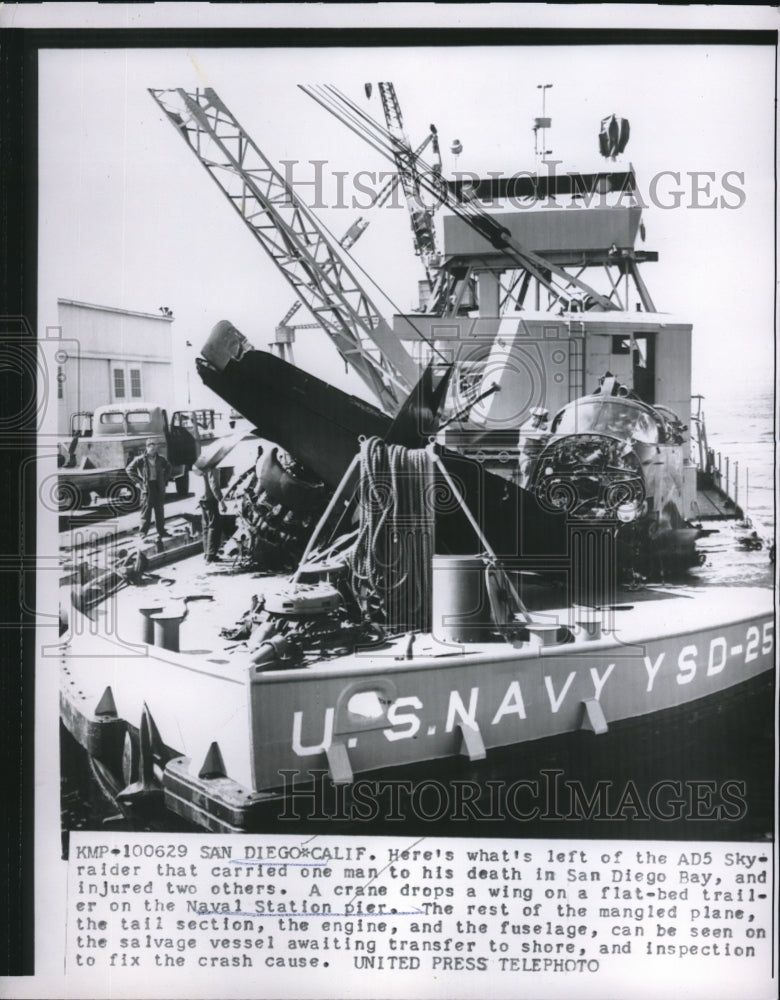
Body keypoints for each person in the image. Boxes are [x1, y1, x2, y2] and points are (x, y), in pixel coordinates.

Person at [126, 439, 172, 539]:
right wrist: (139, 481)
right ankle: (143, 533)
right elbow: (129, 469)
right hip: (147, 488)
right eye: (151, 446)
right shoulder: (140, 459)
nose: (153, 448)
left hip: (158, 486)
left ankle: (162, 531)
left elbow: (168, 467)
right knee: (146, 511)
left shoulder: (161, 459)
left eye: (155, 447)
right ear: (147, 447)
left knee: (159, 511)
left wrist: (164, 479)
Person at [200, 464, 227, 562]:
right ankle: (211, 555)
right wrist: (221, 501)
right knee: (214, 526)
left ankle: (206, 553)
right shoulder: (213, 469)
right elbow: (214, 486)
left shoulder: (201, 468)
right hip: (210, 500)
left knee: (206, 526)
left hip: (203, 500)